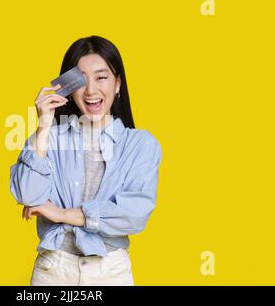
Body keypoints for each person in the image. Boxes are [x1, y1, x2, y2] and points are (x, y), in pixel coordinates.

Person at [9, 35, 163, 286]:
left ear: (117, 84)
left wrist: (61, 214)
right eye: (81, 79)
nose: (91, 90)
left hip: (111, 272)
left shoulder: (141, 145)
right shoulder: (49, 138)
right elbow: (27, 194)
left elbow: (134, 215)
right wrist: (45, 125)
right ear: (68, 87)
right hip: (53, 270)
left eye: (101, 77)